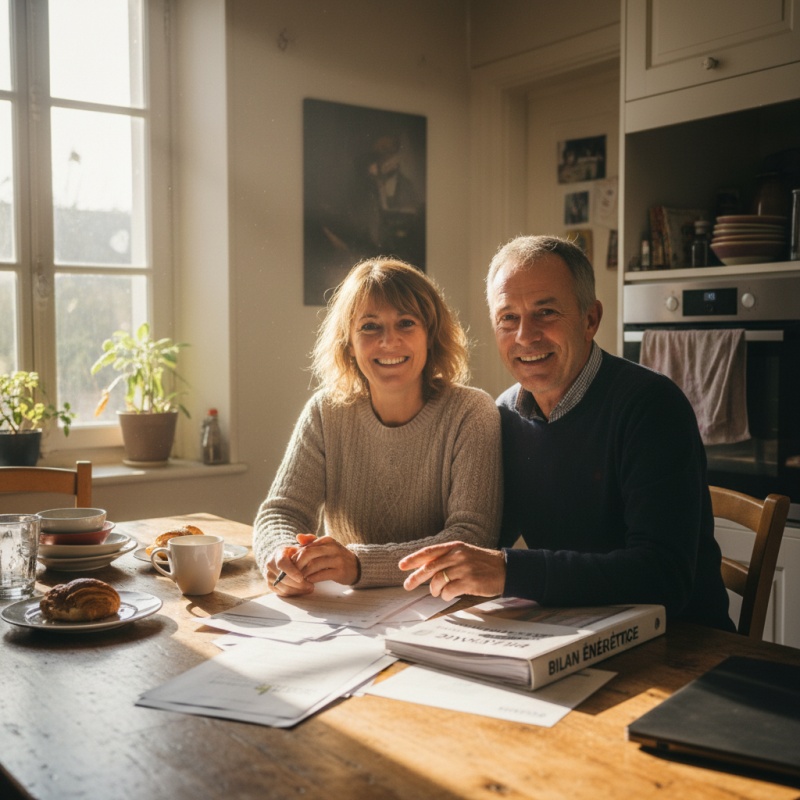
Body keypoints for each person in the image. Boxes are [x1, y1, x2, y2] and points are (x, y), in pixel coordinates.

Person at [401, 235, 734, 631]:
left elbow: (664, 576)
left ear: (590, 319)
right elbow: (483, 539)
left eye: (545, 312)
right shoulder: (503, 415)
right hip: (571, 631)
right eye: (508, 318)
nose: (525, 336)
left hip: (683, 642)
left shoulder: (653, 406)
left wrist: (510, 570)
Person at [253, 257, 502, 596]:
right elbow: (281, 512)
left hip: (441, 606)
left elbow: (472, 537)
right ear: (348, 343)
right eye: (370, 327)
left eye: (406, 323)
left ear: (430, 335)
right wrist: (281, 555)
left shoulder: (471, 412)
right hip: (345, 609)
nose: (389, 341)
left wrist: (359, 565)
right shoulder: (325, 412)